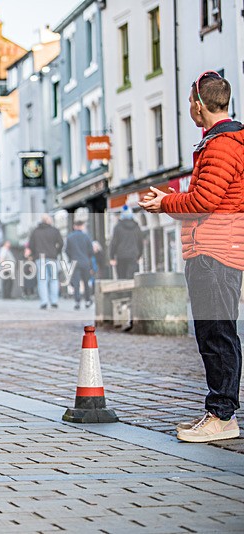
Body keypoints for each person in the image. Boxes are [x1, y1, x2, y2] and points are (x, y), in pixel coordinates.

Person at [139, 70, 242, 443]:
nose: (189, 111)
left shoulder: (222, 144)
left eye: (189, 104)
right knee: (214, 333)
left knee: (217, 334)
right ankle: (218, 411)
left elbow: (204, 201)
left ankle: (222, 416)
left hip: (215, 251)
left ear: (199, 104)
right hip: (214, 249)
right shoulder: (220, 142)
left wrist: (163, 202)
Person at [26, 214, 63, 310]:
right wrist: (56, 252)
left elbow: (31, 245)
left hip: (40, 258)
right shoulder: (54, 231)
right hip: (52, 258)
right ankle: (54, 301)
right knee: (54, 280)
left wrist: (34, 255)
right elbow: (61, 243)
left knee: (42, 280)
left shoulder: (35, 232)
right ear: (49, 220)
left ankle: (44, 302)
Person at [64, 220, 94, 310]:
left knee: (76, 283)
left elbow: (66, 250)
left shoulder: (70, 237)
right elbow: (91, 251)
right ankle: (88, 301)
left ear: (74, 226)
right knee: (86, 282)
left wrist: (71, 257)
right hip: (85, 262)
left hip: (75, 262)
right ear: (82, 226)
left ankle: (77, 302)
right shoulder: (86, 237)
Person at [109, 205, 144, 279]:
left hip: (121, 256)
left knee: (122, 277)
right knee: (131, 277)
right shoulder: (137, 227)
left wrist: (112, 257)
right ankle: (130, 291)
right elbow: (140, 242)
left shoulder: (118, 227)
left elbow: (114, 242)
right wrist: (139, 255)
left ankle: (123, 290)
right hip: (133, 255)